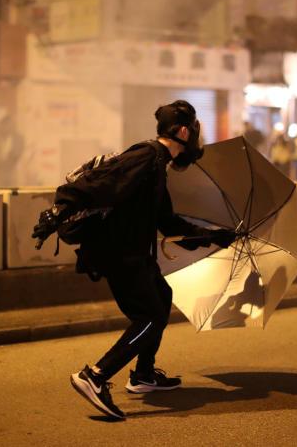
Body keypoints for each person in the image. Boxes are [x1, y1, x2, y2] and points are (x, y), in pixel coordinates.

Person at [31, 100, 236, 420]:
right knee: (150, 316)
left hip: (134, 254)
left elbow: (167, 222)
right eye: (196, 130)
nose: (197, 138)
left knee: (162, 296)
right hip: (120, 254)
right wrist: (57, 212)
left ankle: (143, 375)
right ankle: (96, 376)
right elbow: (92, 184)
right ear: (184, 131)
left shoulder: (157, 167)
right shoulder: (146, 157)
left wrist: (213, 235)